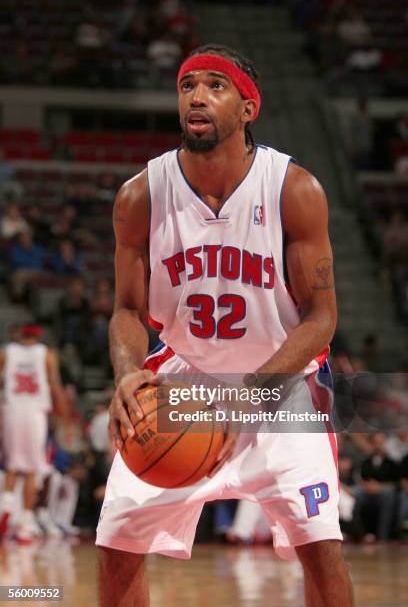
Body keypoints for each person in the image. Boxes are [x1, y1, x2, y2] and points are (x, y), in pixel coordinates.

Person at [96, 44, 354, 606]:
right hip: (187, 382)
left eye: (216, 86)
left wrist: (247, 398)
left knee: (321, 548)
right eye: (188, 85)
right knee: (116, 545)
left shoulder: (294, 189)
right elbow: (128, 310)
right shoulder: (139, 196)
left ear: (247, 109)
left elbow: (322, 318)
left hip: (281, 388)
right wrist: (127, 372)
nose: (197, 96)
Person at [0, 324, 67, 543]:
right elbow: (55, 386)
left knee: (12, 464)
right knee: (32, 468)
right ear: (38, 335)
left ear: (20, 335)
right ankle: (26, 525)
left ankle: (7, 505)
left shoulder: (6, 353)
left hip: (12, 411)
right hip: (36, 413)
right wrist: (65, 414)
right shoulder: (46, 354)